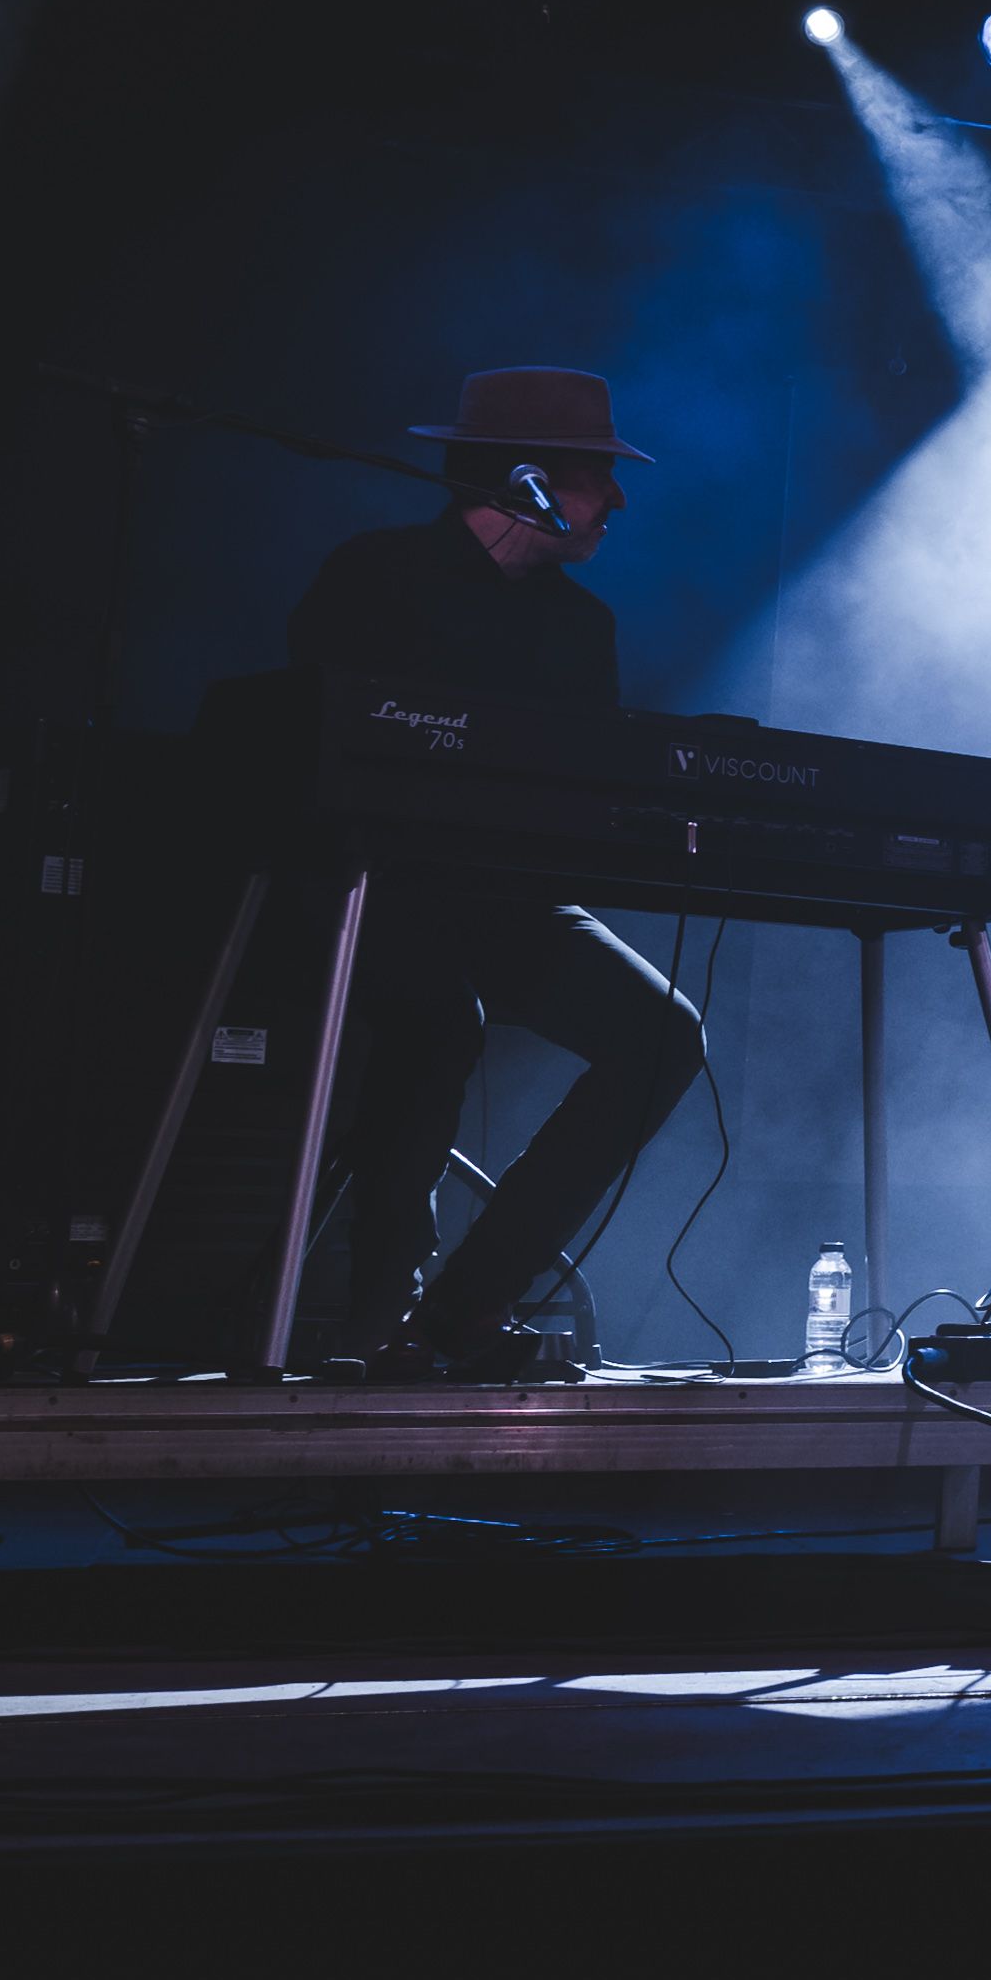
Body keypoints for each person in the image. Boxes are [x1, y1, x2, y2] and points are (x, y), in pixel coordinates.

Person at [284, 367, 706, 1373]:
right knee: (438, 1019)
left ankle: (463, 1310)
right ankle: (372, 1317)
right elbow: (305, 744)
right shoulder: (373, 575)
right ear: (531, 480)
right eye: (601, 478)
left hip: (506, 893)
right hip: (364, 881)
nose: (618, 502)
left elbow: (589, 785)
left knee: (660, 1035)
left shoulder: (578, 624)